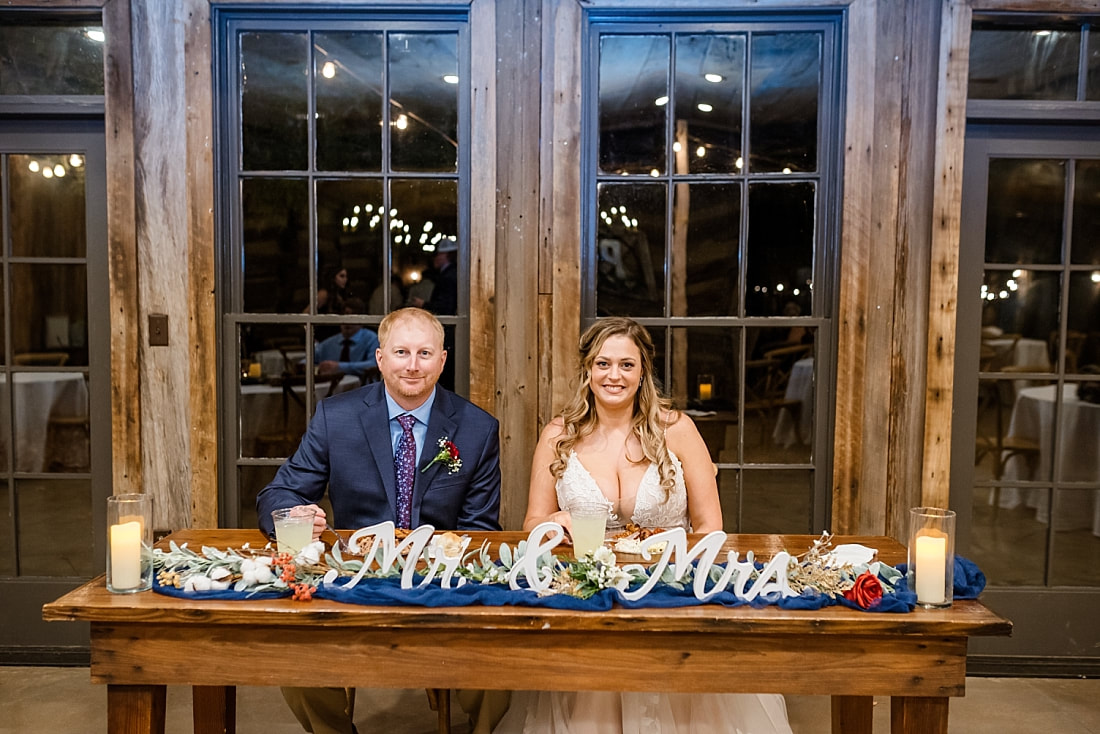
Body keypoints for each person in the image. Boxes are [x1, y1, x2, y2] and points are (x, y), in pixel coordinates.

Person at [491, 317, 793, 734]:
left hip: (670, 594)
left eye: (626, 365)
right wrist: (556, 521)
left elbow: (710, 526)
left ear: (643, 372)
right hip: (589, 595)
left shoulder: (678, 430)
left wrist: (678, 574)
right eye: (603, 364)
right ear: (587, 370)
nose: (614, 375)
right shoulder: (558, 435)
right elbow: (532, 524)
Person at [258, 307, 502, 734]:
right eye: (401, 352)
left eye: (425, 353)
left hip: (438, 583)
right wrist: (293, 515)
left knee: (504, 669)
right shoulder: (337, 417)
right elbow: (278, 493)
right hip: (352, 580)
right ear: (380, 358)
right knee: (296, 664)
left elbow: (479, 529)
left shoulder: (477, 429)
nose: (412, 365)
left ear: (442, 361)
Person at [313, 298, 380, 381]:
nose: (348, 322)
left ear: (362, 319)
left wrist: (340, 367)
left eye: (352, 317)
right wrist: (303, 366)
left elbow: (374, 364)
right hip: (332, 390)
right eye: (345, 316)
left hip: (363, 390)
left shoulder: (372, 339)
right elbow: (311, 358)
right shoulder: (330, 343)